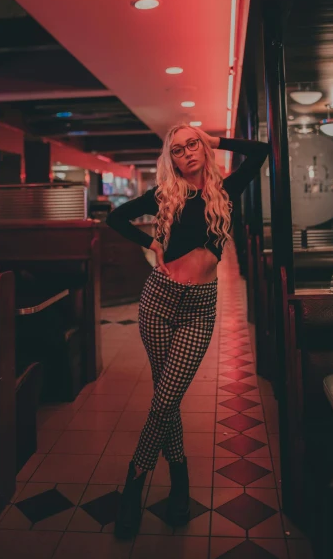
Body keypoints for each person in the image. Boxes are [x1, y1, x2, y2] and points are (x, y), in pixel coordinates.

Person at [106, 124, 270, 539]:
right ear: (171, 158)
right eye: (177, 149)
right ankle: (179, 478)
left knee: (165, 400)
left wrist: (217, 140)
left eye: (192, 144)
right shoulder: (165, 195)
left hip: (199, 308)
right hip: (158, 301)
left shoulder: (226, 191)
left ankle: (135, 478)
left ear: (203, 147)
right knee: (167, 398)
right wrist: (151, 244)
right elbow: (116, 217)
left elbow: (262, 150)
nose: (187, 153)